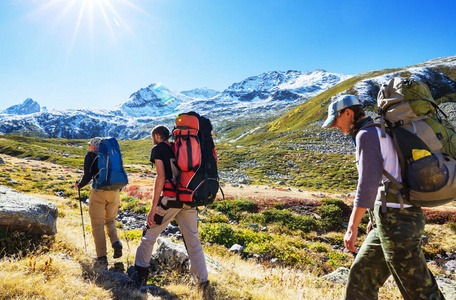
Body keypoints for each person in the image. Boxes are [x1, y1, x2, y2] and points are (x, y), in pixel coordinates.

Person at [322, 95, 445, 300]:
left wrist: (352, 227)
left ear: (348, 113)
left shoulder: (366, 135)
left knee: (419, 291)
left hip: (398, 221)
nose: (335, 125)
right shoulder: (378, 132)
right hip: (388, 219)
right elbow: (384, 179)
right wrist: (374, 218)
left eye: (336, 119)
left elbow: (368, 183)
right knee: (361, 279)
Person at [133, 125, 211, 297]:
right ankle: (203, 282)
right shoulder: (179, 148)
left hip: (170, 200)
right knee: (193, 241)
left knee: (149, 234)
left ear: (156, 136)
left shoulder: (159, 149)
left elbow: (161, 176)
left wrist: (153, 207)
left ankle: (140, 274)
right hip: (188, 199)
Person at [75, 137, 122, 267]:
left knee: (97, 224)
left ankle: (102, 257)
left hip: (99, 192)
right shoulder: (113, 154)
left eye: (90, 145)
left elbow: (88, 175)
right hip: (115, 191)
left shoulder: (90, 156)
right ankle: (116, 242)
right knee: (110, 220)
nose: (89, 147)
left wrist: (79, 185)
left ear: (95, 147)